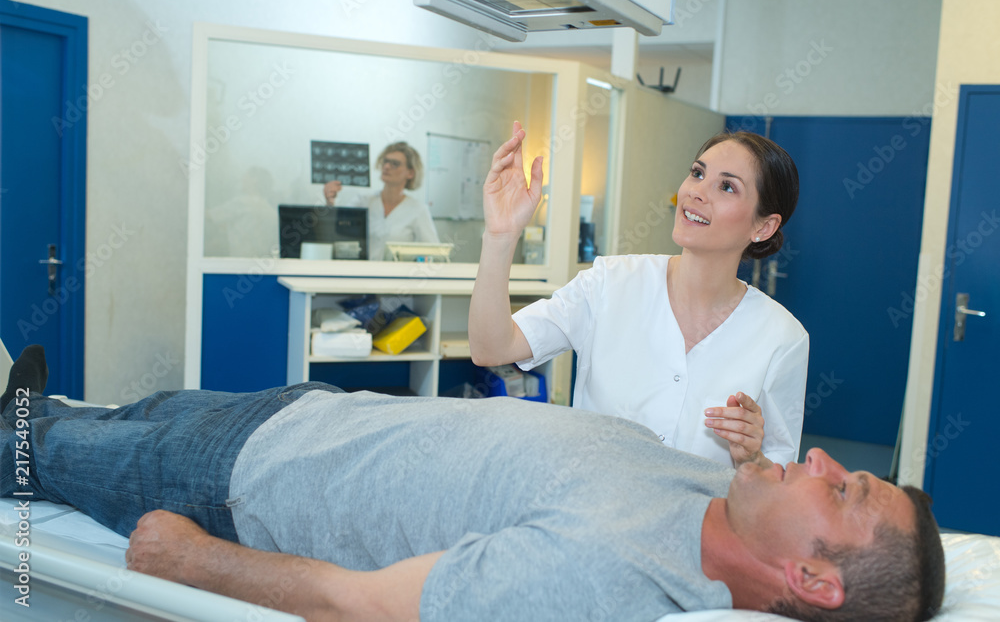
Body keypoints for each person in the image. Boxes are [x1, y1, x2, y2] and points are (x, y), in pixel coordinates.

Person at [2, 346, 944, 622]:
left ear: (815, 580)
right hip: (305, 410)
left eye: (846, 491)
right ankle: (35, 410)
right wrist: (758, 466)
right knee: (120, 407)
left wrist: (193, 557)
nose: (819, 459)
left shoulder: (602, 575)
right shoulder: (701, 482)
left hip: (237, 481)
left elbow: (356, 602)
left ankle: (22, 426)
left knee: (32, 453)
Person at [469, 121, 809, 468]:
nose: (697, 191)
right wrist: (501, 234)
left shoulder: (782, 337)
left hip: (701, 520)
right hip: (592, 513)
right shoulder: (610, 283)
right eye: (696, 173)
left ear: (763, 227)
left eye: (726, 186)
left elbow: (779, 481)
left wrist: (752, 457)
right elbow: (492, 347)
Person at [323, 141, 440, 261]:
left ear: (410, 173)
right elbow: (338, 230)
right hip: (362, 274)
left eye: (395, 164)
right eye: (385, 161)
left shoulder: (418, 210)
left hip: (397, 277)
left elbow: (434, 252)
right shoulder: (363, 201)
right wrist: (330, 202)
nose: (387, 167)